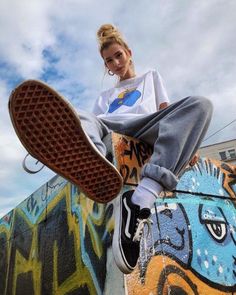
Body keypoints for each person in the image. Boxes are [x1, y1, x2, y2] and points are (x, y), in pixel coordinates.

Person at [8, 24, 213, 275]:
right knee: (79, 114)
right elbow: (92, 121)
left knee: (201, 105)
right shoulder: (105, 95)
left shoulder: (151, 76)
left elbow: (166, 111)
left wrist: (186, 142)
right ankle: (91, 158)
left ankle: (141, 199)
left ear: (129, 52)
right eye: (109, 60)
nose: (116, 63)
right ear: (106, 65)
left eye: (118, 55)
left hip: (147, 124)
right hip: (111, 126)